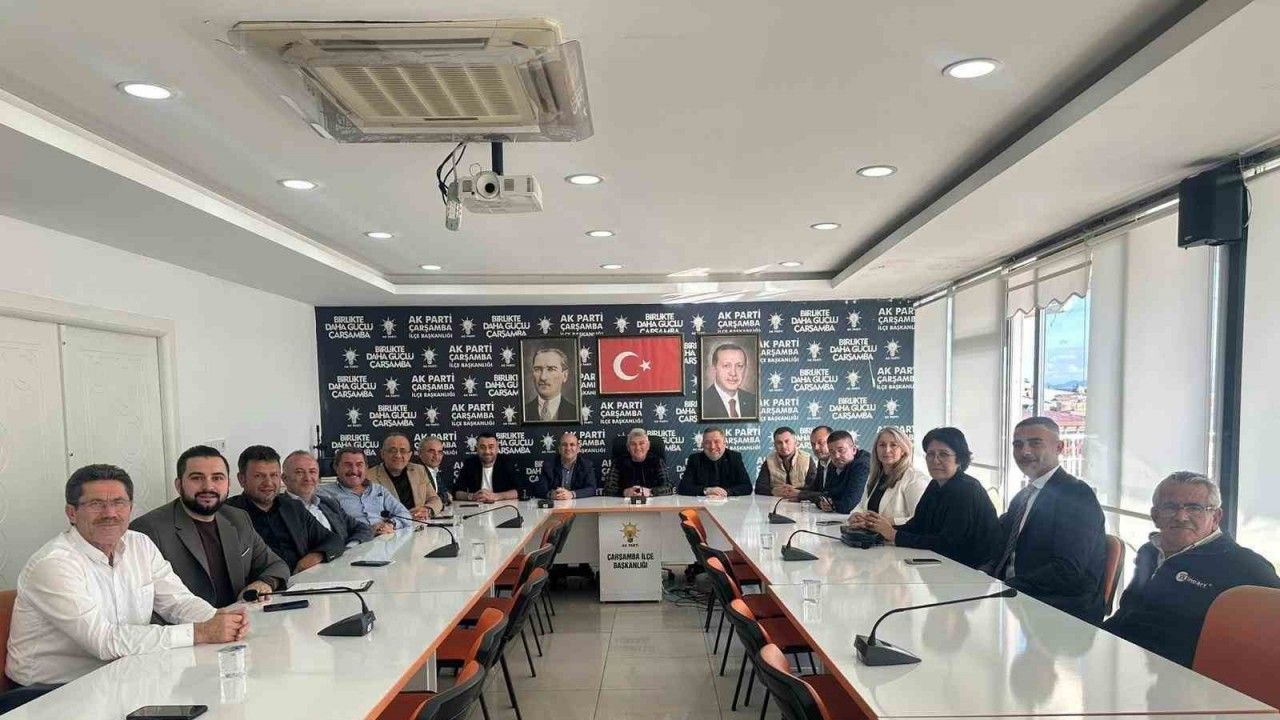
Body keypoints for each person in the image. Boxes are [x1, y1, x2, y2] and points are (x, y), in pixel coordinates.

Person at [5, 465, 247, 689]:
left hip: (123, 675)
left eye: (119, 502)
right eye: (96, 504)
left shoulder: (139, 544)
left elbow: (178, 602)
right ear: (71, 513)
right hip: (49, 692)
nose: (110, 513)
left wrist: (220, 620)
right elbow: (103, 642)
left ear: (130, 508)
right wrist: (201, 632)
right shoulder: (53, 564)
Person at [1104, 471, 1280, 667]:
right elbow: (1127, 613)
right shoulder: (1149, 552)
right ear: (1155, 515)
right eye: (1170, 507)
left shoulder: (1246, 567)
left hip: (1189, 676)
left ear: (1216, 517)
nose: (1181, 517)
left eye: (1195, 508)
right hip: (1126, 661)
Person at [131, 445, 290, 608]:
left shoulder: (238, 518)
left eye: (217, 478)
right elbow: (140, 605)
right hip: (190, 623)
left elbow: (276, 565)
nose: (208, 487)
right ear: (179, 485)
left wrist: (263, 583)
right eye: (197, 478)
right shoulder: (147, 530)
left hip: (241, 618)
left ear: (228, 484)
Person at [985, 417, 1107, 622]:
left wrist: (1006, 587)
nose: (1024, 451)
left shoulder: (1076, 495)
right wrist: (985, 570)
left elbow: (1067, 570)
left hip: (1059, 607)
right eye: (1018, 444)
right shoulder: (1024, 496)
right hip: (1015, 597)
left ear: (1059, 447)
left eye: (1035, 443)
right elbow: (1001, 544)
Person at [862, 427, 1000, 569]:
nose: (935, 460)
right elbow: (916, 526)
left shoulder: (967, 490)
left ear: (959, 459)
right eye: (930, 454)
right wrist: (876, 529)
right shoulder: (935, 484)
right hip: (943, 564)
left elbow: (947, 544)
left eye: (943, 454)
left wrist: (894, 535)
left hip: (973, 570)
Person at [225, 445, 346, 574]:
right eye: (259, 476)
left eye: (274, 475)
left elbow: (333, 540)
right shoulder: (227, 515)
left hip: (301, 579)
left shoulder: (293, 507)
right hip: (261, 584)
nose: (268, 483)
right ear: (242, 479)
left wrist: (315, 556)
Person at [281, 450, 372, 546]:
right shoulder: (278, 510)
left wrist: (350, 546)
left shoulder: (329, 504)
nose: (308, 478)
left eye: (312, 472)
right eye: (299, 472)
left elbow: (363, 528)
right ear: (285, 478)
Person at [317, 448, 413, 533]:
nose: (354, 470)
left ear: (366, 468)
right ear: (336, 468)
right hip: (354, 544)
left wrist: (391, 524)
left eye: (359, 465)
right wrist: (369, 530)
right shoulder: (324, 494)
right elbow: (330, 528)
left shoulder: (379, 490)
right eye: (348, 465)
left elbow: (405, 515)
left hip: (385, 540)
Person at [847, 426, 930, 525]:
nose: (887, 450)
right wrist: (856, 515)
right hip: (870, 534)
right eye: (882, 445)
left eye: (893, 445)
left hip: (898, 534)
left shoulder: (915, 478)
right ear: (876, 450)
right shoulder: (875, 476)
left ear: (903, 450)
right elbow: (862, 506)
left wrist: (888, 522)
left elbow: (921, 519)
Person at [367, 432, 442, 520]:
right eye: (392, 450)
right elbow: (368, 512)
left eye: (403, 451)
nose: (398, 455)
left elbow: (435, 499)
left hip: (419, 524)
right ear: (382, 454)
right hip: (389, 527)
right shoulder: (369, 477)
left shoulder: (419, 470)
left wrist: (427, 510)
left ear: (409, 455)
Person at [797, 430, 869, 513]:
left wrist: (832, 505)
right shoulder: (836, 463)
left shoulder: (862, 465)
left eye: (841, 450)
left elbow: (848, 504)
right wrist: (822, 503)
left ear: (854, 450)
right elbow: (826, 493)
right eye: (832, 452)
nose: (836, 456)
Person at [679, 427, 752, 497]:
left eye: (717, 442)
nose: (712, 447)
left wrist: (726, 492)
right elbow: (683, 487)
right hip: (702, 503)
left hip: (729, 503)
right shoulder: (695, 459)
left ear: (724, 443)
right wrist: (706, 491)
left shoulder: (734, 457)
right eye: (707, 442)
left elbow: (747, 486)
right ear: (702, 445)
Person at [602, 428, 673, 497]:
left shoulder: (657, 461)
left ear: (648, 446)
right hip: (623, 504)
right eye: (633, 444)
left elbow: (669, 487)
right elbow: (608, 489)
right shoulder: (618, 462)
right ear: (628, 447)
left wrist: (651, 492)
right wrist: (624, 492)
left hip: (654, 503)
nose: (637, 448)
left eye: (641, 443)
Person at [454, 433, 521, 502]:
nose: (487, 451)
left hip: (503, 505)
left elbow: (519, 491)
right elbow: (456, 492)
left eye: (491, 447)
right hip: (476, 505)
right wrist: (472, 496)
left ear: (497, 448)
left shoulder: (507, 463)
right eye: (482, 447)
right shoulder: (470, 463)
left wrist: (497, 496)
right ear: (477, 448)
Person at [531, 432, 598, 500]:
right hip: (555, 504)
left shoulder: (586, 465)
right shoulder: (548, 465)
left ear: (578, 448)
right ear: (559, 448)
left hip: (578, 505)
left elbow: (591, 489)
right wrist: (551, 494)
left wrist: (572, 494)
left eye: (572, 445)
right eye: (564, 445)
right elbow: (540, 489)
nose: (568, 448)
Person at [700, 342, 757, 420]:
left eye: (739, 366)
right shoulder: (703, 402)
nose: (733, 373)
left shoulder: (753, 401)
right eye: (726, 366)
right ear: (714, 369)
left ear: (745, 369)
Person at [754, 426, 814, 497]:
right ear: (774, 445)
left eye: (787, 441)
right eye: (779, 443)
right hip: (775, 501)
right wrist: (773, 491)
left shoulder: (807, 459)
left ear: (795, 442)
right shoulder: (769, 461)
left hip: (800, 500)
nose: (783, 446)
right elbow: (759, 488)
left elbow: (814, 487)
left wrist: (797, 492)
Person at [523, 345, 578, 422]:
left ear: (565, 375)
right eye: (537, 369)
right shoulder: (522, 412)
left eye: (551, 369)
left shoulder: (576, 412)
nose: (543, 377)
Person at [417, 435, 453, 501]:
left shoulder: (434, 469)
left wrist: (445, 495)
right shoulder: (416, 471)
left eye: (440, 452)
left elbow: (444, 492)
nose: (436, 456)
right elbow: (428, 498)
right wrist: (445, 496)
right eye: (431, 452)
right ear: (420, 453)